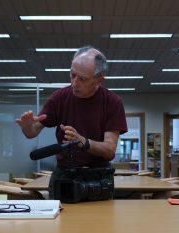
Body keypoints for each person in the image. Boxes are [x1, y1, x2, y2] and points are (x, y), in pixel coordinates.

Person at [16, 45, 128, 199]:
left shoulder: (112, 102)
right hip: (64, 175)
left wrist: (83, 142)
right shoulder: (59, 97)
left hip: (98, 177)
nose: (74, 83)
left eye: (82, 79)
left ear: (99, 80)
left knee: (102, 223)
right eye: (72, 75)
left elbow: (109, 149)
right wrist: (27, 127)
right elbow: (32, 132)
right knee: (59, 221)